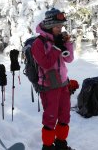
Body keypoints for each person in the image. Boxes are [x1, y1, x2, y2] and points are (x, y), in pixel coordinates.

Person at [31, 8, 75, 150]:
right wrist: (56, 47)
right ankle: (48, 147)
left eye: (61, 26)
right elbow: (46, 64)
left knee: (64, 116)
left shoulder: (58, 39)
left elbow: (69, 59)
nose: (60, 29)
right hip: (49, 86)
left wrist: (67, 43)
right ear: (49, 25)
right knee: (50, 118)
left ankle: (61, 145)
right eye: (57, 26)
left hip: (62, 83)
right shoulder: (38, 43)